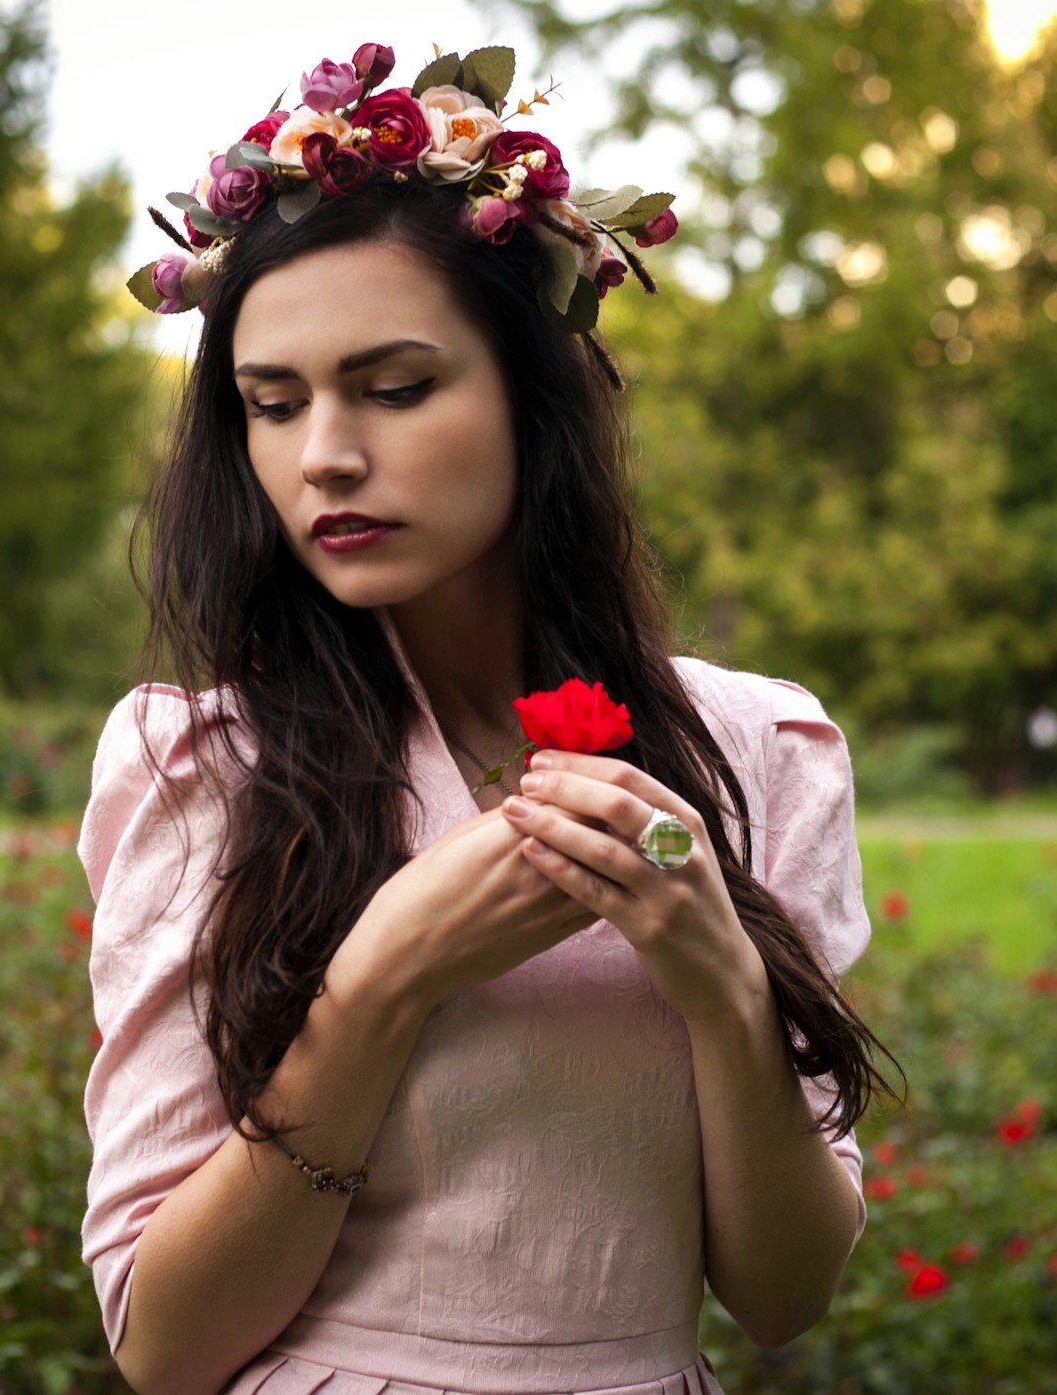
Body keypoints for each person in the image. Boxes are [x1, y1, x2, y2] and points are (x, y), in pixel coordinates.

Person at [78, 41, 902, 1395]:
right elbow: (163, 1344)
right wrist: (381, 983)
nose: (324, 454)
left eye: (395, 387)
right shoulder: (202, 768)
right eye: (272, 406)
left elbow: (783, 1291)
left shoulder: (755, 749)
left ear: (535, 397)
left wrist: (718, 980)